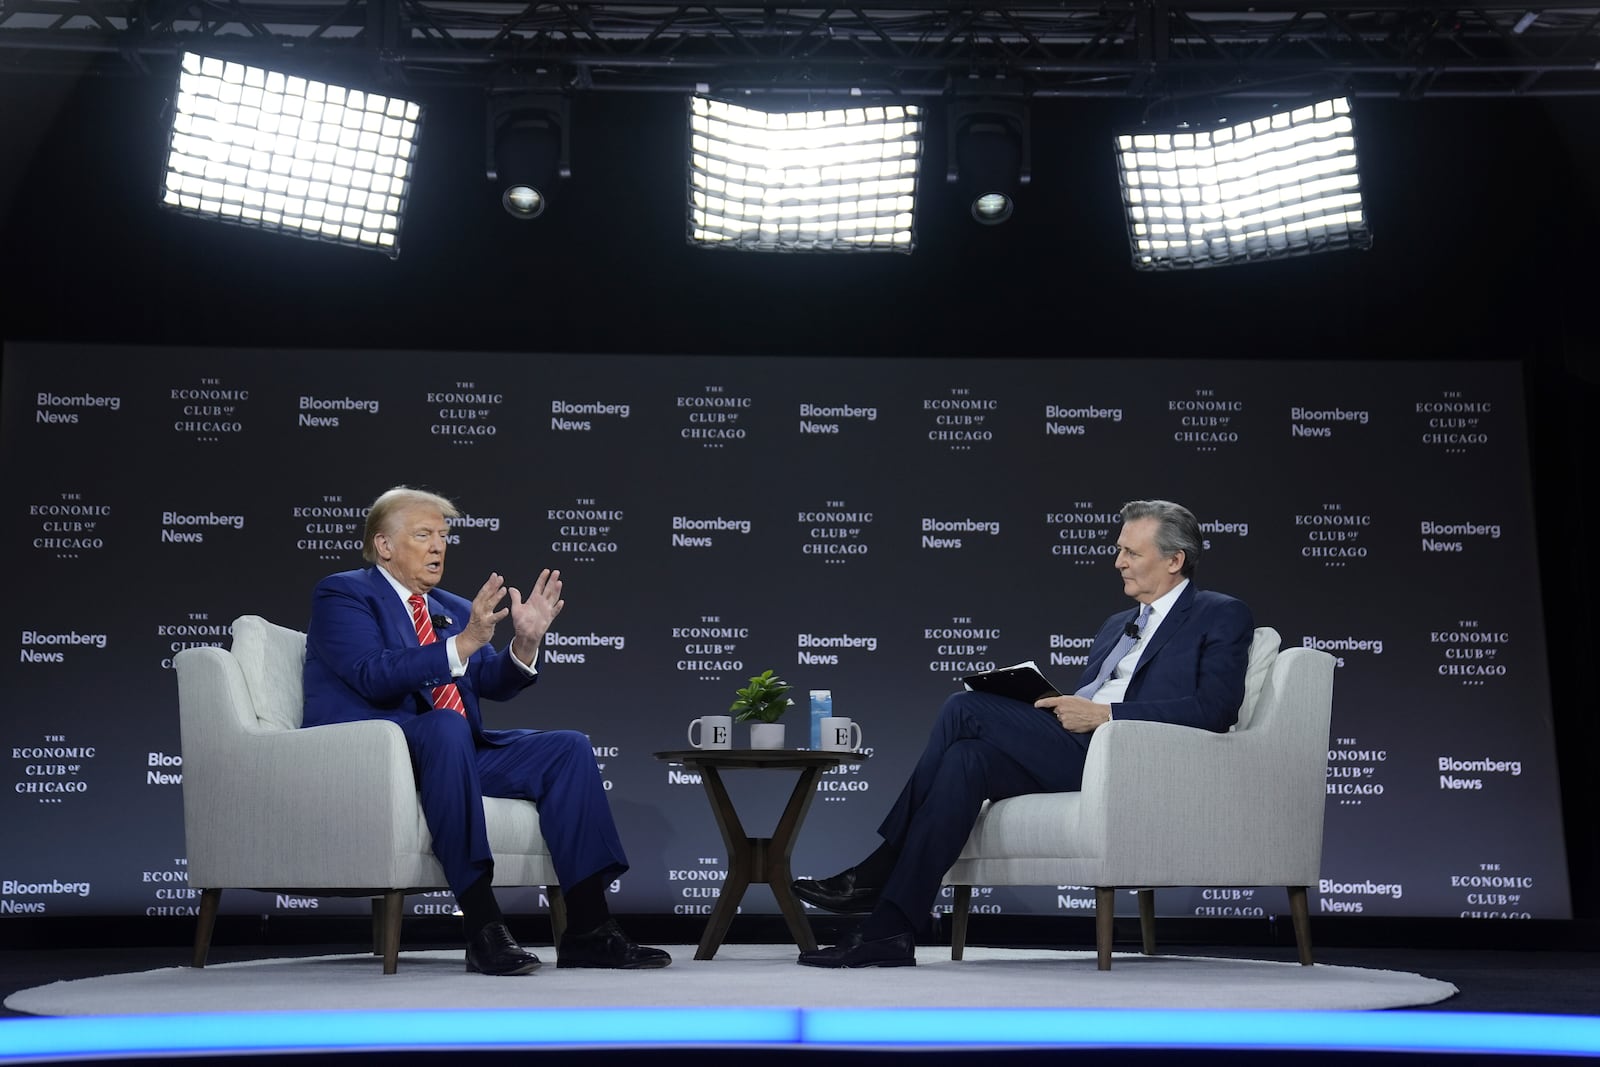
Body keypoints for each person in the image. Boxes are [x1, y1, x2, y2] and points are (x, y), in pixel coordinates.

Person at [791, 499, 1255, 968]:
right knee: (964, 760)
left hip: (1127, 757)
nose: (1118, 562)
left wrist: (1106, 715)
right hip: (1078, 747)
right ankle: (888, 933)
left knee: (964, 709)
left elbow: (1215, 710)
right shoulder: (1118, 624)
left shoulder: (1219, 614)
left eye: (1131, 553)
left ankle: (878, 869)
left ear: (1174, 561)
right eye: (1119, 550)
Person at [302, 486, 670, 975]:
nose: (439, 546)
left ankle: (589, 929)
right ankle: (481, 927)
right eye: (424, 535)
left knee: (567, 748)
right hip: (377, 750)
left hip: (454, 748)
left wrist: (524, 642)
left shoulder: (451, 606)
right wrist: (465, 642)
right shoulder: (345, 593)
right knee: (446, 727)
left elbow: (490, 681)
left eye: (444, 536)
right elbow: (372, 672)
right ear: (385, 545)